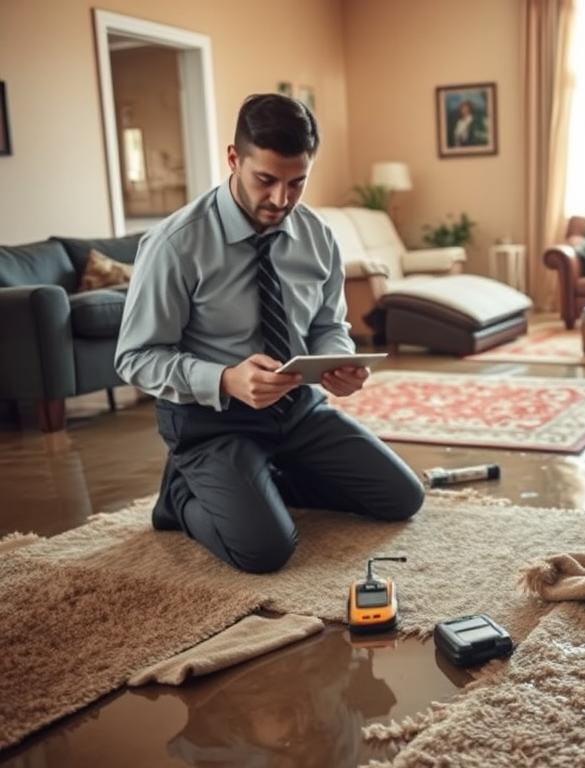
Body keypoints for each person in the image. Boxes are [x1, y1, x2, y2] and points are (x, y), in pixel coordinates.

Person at [115, 93, 424, 574]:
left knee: (401, 497)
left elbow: (328, 325)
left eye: (297, 182)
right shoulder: (175, 244)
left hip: (299, 413)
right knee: (265, 551)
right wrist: (225, 379)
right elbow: (136, 357)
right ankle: (180, 497)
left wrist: (337, 361)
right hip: (211, 423)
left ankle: (258, 481)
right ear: (234, 159)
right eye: (266, 180)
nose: (281, 199)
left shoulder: (316, 235)